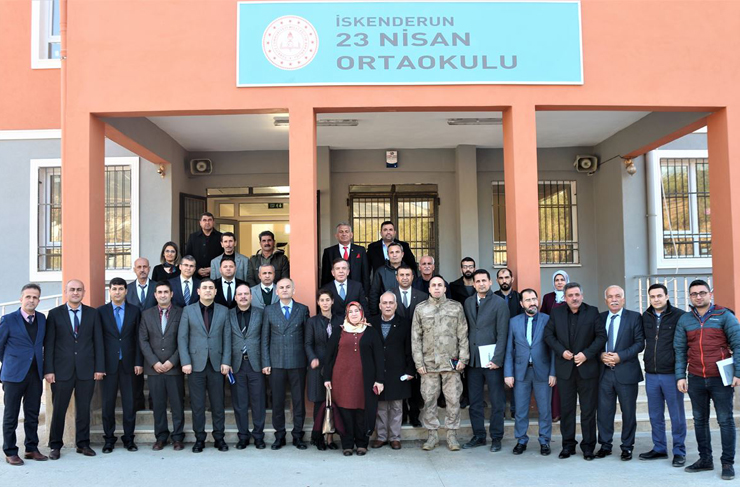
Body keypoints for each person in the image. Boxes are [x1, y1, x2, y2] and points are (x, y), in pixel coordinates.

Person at [675, 279, 740, 481]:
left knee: (725, 420)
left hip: (720, 378)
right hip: (695, 378)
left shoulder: (724, 315)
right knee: (700, 420)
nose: (698, 296)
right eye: (694, 294)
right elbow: (680, 350)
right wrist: (680, 376)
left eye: (702, 292)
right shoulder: (685, 320)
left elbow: (738, 344)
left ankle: (727, 463)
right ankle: (705, 460)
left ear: (710, 294)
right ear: (690, 297)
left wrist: (738, 372)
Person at [543, 282, 606, 461]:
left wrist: (586, 354)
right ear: (565, 297)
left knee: (588, 411)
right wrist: (561, 351)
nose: (574, 298)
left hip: (587, 370)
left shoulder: (592, 312)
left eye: (577, 294)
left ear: (582, 296)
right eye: (570, 295)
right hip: (565, 370)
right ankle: (568, 446)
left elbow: (601, 336)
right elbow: (548, 335)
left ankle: (588, 447)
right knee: (567, 410)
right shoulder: (556, 313)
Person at [44, 279, 105, 460]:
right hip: (61, 371)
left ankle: (83, 444)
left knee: (84, 409)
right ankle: (55, 445)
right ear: (66, 292)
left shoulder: (93, 314)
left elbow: (98, 342)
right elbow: (49, 344)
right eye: (72, 289)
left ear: (83, 292)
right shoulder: (54, 314)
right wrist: (49, 370)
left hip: (87, 370)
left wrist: (99, 368)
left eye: (79, 290)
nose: (75, 292)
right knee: (59, 410)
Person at [411, 276, 469, 451]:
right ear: (429, 289)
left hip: (451, 364)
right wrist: (418, 362)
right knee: (429, 400)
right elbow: (416, 338)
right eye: (433, 285)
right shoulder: (421, 309)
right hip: (428, 364)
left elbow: (463, 334)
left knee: (453, 400)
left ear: (445, 288)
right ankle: (432, 436)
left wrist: (463, 359)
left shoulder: (456, 307)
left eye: (440, 285)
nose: (436, 288)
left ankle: (451, 435)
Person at [177, 279, 231, 453]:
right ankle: (199, 438)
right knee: (198, 405)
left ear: (215, 292)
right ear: (198, 291)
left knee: (218, 404)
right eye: (205, 288)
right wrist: (185, 361)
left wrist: (226, 361)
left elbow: (227, 337)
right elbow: (182, 338)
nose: (208, 290)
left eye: (211, 288)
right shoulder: (188, 310)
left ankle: (219, 438)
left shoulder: (223, 311)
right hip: (195, 365)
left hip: (217, 365)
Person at [324, 302, 384, 456]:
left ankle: (362, 444)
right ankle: (347, 445)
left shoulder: (370, 332)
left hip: (364, 380)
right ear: (347, 315)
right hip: (341, 380)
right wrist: (327, 378)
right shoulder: (339, 331)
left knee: (361, 412)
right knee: (345, 412)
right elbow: (329, 356)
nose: (354, 314)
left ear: (362, 313)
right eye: (350, 312)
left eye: (357, 311)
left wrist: (379, 380)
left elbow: (379, 358)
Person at [639, 283, 687, 467]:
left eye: (659, 295)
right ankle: (659, 448)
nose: (656, 299)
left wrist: (682, 373)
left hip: (671, 374)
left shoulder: (679, 316)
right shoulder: (646, 316)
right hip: (651, 373)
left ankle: (679, 451)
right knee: (655, 414)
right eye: (652, 296)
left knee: (676, 415)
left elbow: (684, 345)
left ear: (667, 296)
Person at [461, 269, 510, 452]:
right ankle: (479, 436)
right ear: (473, 284)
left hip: (492, 361)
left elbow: (503, 333)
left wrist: (497, 359)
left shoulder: (499, 303)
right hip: (473, 360)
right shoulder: (468, 302)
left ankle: (496, 437)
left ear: (490, 282)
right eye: (478, 281)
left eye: (484, 280)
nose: (481, 284)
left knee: (497, 401)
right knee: (475, 401)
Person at [596, 285, 645, 461]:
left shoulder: (634, 317)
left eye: (618, 296)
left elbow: (639, 343)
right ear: (606, 300)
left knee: (628, 412)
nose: (614, 299)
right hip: (604, 373)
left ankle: (627, 447)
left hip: (626, 372)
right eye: (610, 296)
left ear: (623, 299)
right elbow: (593, 341)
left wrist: (620, 357)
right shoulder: (600, 318)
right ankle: (605, 445)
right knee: (604, 412)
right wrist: (600, 354)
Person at [504, 289, 556, 456]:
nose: (532, 302)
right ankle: (521, 440)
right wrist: (508, 373)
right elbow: (509, 349)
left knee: (545, 410)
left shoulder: (548, 319)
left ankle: (544, 441)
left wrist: (553, 372)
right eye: (528, 300)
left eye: (534, 299)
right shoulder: (514, 322)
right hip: (521, 373)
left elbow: (553, 349)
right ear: (521, 303)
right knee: (520, 410)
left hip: (543, 372)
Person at [0, 284, 47, 465]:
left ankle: (31, 448)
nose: (31, 300)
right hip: (13, 375)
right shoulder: (8, 320)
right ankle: (10, 451)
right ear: (21, 299)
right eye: (28, 297)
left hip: (35, 375)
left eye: (35, 297)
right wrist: (8, 365)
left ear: (39, 301)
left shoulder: (42, 319)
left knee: (32, 413)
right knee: (11, 415)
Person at [261, 278, 309, 450]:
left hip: (298, 362)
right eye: (281, 287)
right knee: (277, 401)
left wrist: (308, 360)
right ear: (276, 291)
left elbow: (307, 338)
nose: (285, 289)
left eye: (288, 287)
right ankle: (279, 435)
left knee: (298, 401)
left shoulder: (302, 309)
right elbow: (265, 338)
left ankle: (298, 435)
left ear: (293, 290)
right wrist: (265, 362)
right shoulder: (269, 310)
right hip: (276, 363)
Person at [138, 281, 185, 451]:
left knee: (177, 405)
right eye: (160, 292)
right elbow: (143, 340)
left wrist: (173, 361)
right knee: (158, 405)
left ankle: (178, 437)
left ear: (171, 294)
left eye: (166, 292)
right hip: (154, 369)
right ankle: (161, 437)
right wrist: (154, 362)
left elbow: (184, 339)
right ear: (155, 295)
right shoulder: (146, 315)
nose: (163, 295)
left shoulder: (181, 313)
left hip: (174, 367)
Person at [98, 278, 143, 453]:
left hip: (129, 365)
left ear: (126, 291)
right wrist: (99, 366)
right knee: (108, 404)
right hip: (108, 366)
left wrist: (138, 362)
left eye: (121, 289)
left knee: (129, 404)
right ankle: (109, 439)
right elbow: (98, 340)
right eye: (114, 289)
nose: (117, 292)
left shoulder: (135, 311)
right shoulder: (101, 312)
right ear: (109, 291)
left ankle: (129, 439)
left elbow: (138, 338)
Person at [369, 292, 414, 450]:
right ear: (379, 306)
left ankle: (395, 437)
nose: (387, 306)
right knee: (380, 406)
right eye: (385, 303)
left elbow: (410, 348)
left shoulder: (405, 323)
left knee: (396, 406)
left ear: (395, 305)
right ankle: (381, 437)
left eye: (390, 303)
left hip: (398, 370)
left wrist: (410, 370)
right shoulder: (371, 322)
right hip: (378, 370)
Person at [228, 284, 266, 449]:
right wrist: (226, 362)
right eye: (240, 294)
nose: (243, 297)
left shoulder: (261, 313)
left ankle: (258, 436)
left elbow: (265, 339)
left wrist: (266, 363)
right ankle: (243, 436)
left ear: (251, 296)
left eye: (246, 294)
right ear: (235, 297)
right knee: (240, 403)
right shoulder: (228, 314)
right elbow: (226, 340)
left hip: (256, 364)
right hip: (236, 365)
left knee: (258, 402)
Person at [305, 289, 341, 451]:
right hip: (317, 366)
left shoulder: (340, 320)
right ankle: (318, 437)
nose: (325, 303)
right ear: (318, 303)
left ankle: (330, 438)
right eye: (322, 300)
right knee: (319, 402)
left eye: (328, 300)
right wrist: (312, 358)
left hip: (336, 365)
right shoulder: (312, 322)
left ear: (332, 301)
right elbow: (308, 344)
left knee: (334, 402)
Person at [393, 266, 428, 427]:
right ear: (397, 277)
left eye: (408, 275)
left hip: (417, 343)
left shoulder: (422, 296)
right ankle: (402, 414)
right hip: (397, 344)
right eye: (402, 275)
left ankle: (414, 415)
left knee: (415, 381)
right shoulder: (390, 295)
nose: (405, 277)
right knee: (399, 379)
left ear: (413, 277)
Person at [126, 257, 155, 412]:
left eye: (145, 267)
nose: (142, 270)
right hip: (133, 337)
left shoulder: (157, 287)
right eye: (139, 267)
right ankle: (138, 404)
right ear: (134, 269)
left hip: (155, 337)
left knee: (153, 372)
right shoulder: (127, 289)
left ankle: (153, 404)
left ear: (149, 269)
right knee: (135, 372)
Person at [540, 270, 569, 423]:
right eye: (557, 280)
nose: (559, 282)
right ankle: (554, 412)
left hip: (566, 342)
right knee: (551, 377)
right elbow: (542, 317)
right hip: (550, 341)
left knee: (563, 378)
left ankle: (564, 411)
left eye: (562, 279)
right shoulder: (548, 297)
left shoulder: (571, 296)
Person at [320, 222, 371, 295]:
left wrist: (366, 293)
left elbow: (365, 274)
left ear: (351, 235)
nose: (344, 234)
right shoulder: (329, 252)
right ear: (336, 235)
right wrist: (324, 293)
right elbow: (325, 275)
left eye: (347, 231)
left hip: (356, 291)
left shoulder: (360, 250)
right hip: (335, 292)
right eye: (341, 232)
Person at [184, 212, 223, 279]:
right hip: (196, 275)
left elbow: (224, 256)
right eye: (204, 220)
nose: (207, 222)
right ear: (200, 223)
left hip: (216, 275)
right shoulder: (193, 237)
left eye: (209, 220)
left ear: (213, 222)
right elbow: (188, 256)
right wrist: (197, 269)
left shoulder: (220, 237)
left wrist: (213, 268)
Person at [368, 243, 405, 315]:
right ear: (388, 255)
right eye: (391, 252)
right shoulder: (380, 271)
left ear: (402, 254)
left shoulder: (409, 271)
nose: (394, 255)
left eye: (397, 252)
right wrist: (374, 315)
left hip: (404, 313)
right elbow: (374, 294)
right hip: (385, 313)